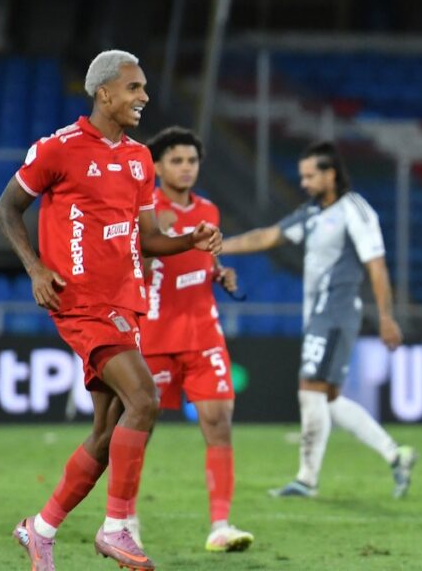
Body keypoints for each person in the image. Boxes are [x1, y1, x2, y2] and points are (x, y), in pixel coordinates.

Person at [0, 50, 222, 571]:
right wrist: (34, 268)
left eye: (143, 88)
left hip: (126, 303)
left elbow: (148, 239)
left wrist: (190, 238)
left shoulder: (140, 159)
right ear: (104, 93)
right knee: (144, 397)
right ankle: (117, 526)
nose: (144, 97)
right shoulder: (59, 148)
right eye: (134, 88)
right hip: (81, 302)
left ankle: (40, 529)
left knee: (106, 431)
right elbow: (7, 209)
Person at [220, 141, 417, 499]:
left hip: (335, 312)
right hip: (319, 316)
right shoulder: (311, 213)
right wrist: (221, 246)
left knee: (309, 389)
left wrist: (386, 317)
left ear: (331, 175)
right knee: (329, 399)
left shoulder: (355, 210)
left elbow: (376, 265)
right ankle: (395, 454)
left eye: (311, 176)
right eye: (302, 176)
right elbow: (269, 236)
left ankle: (306, 479)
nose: (304, 183)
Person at [131, 126, 254, 552]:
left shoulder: (209, 210)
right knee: (138, 429)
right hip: (155, 334)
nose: (186, 168)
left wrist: (218, 273)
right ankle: (125, 518)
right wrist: (152, 243)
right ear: (157, 167)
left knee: (218, 423)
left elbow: (202, 259)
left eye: (192, 160)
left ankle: (220, 525)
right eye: (177, 161)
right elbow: (130, 263)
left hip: (203, 332)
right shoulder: (144, 210)